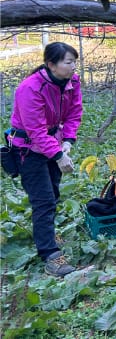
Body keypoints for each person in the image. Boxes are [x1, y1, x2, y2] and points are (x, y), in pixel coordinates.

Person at [7, 42, 83, 276]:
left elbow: (74, 112)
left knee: (54, 192)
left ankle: (46, 235)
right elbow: (35, 130)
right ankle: (50, 255)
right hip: (28, 150)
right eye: (68, 62)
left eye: (74, 62)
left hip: (53, 144)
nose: (73, 67)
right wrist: (58, 155)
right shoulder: (30, 88)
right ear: (51, 64)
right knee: (43, 200)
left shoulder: (72, 83)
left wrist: (68, 140)